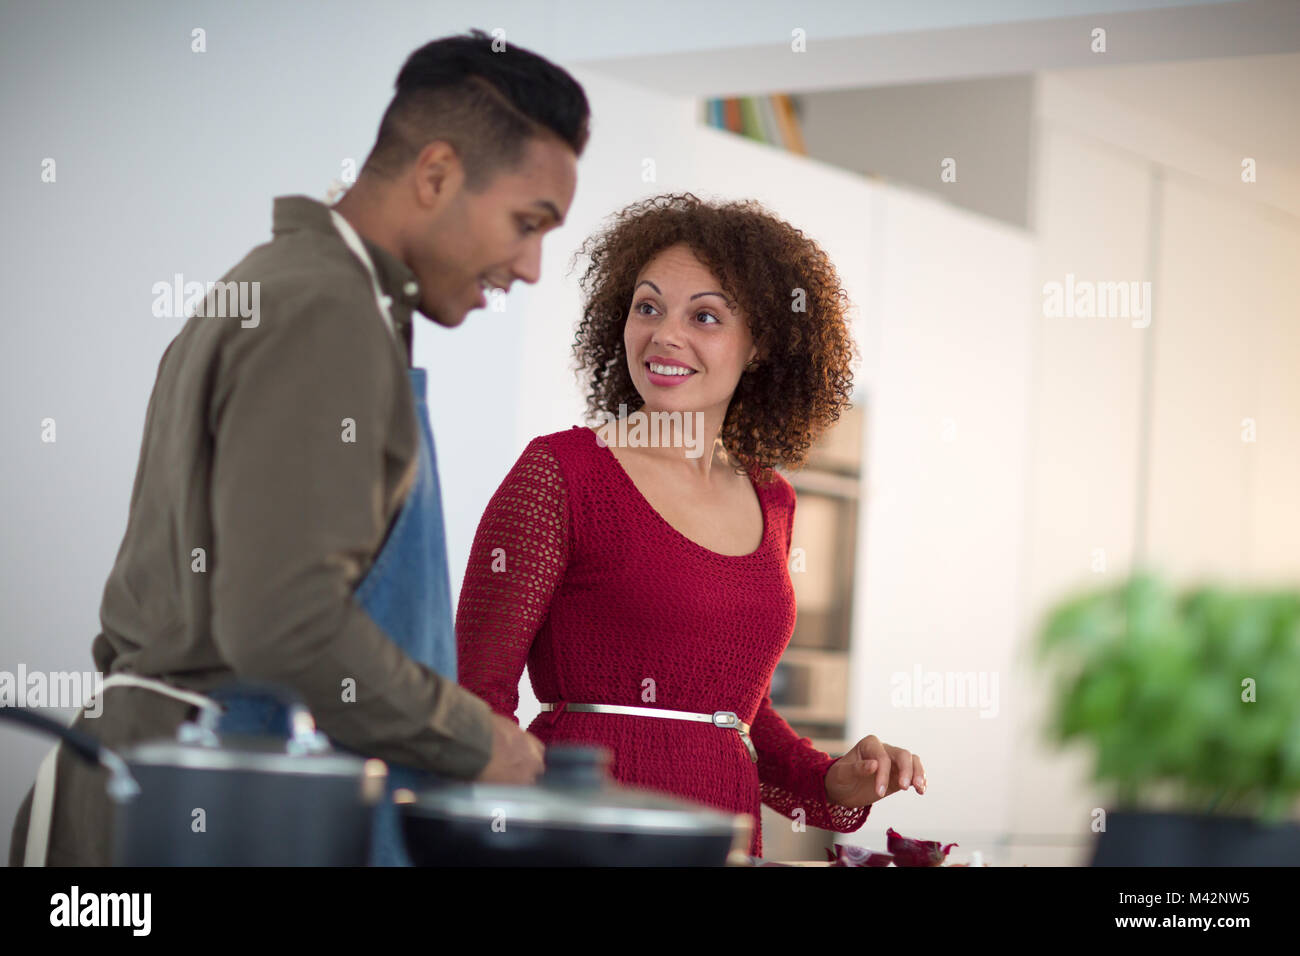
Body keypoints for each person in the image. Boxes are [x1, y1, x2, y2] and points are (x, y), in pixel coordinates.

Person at [10, 29, 586, 867]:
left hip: (203, 783)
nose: (532, 266)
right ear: (436, 174)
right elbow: (285, 623)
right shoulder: (328, 313)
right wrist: (476, 740)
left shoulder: (294, 284)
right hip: (207, 803)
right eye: (527, 223)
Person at [455, 193, 928, 858]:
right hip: (582, 834)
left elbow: (740, 719)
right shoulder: (560, 473)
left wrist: (835, 781)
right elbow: (477, 697)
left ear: (760, 343)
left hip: (725, 838)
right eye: (647, 307)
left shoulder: (774, 500)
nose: (665, 335)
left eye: (704, 316)